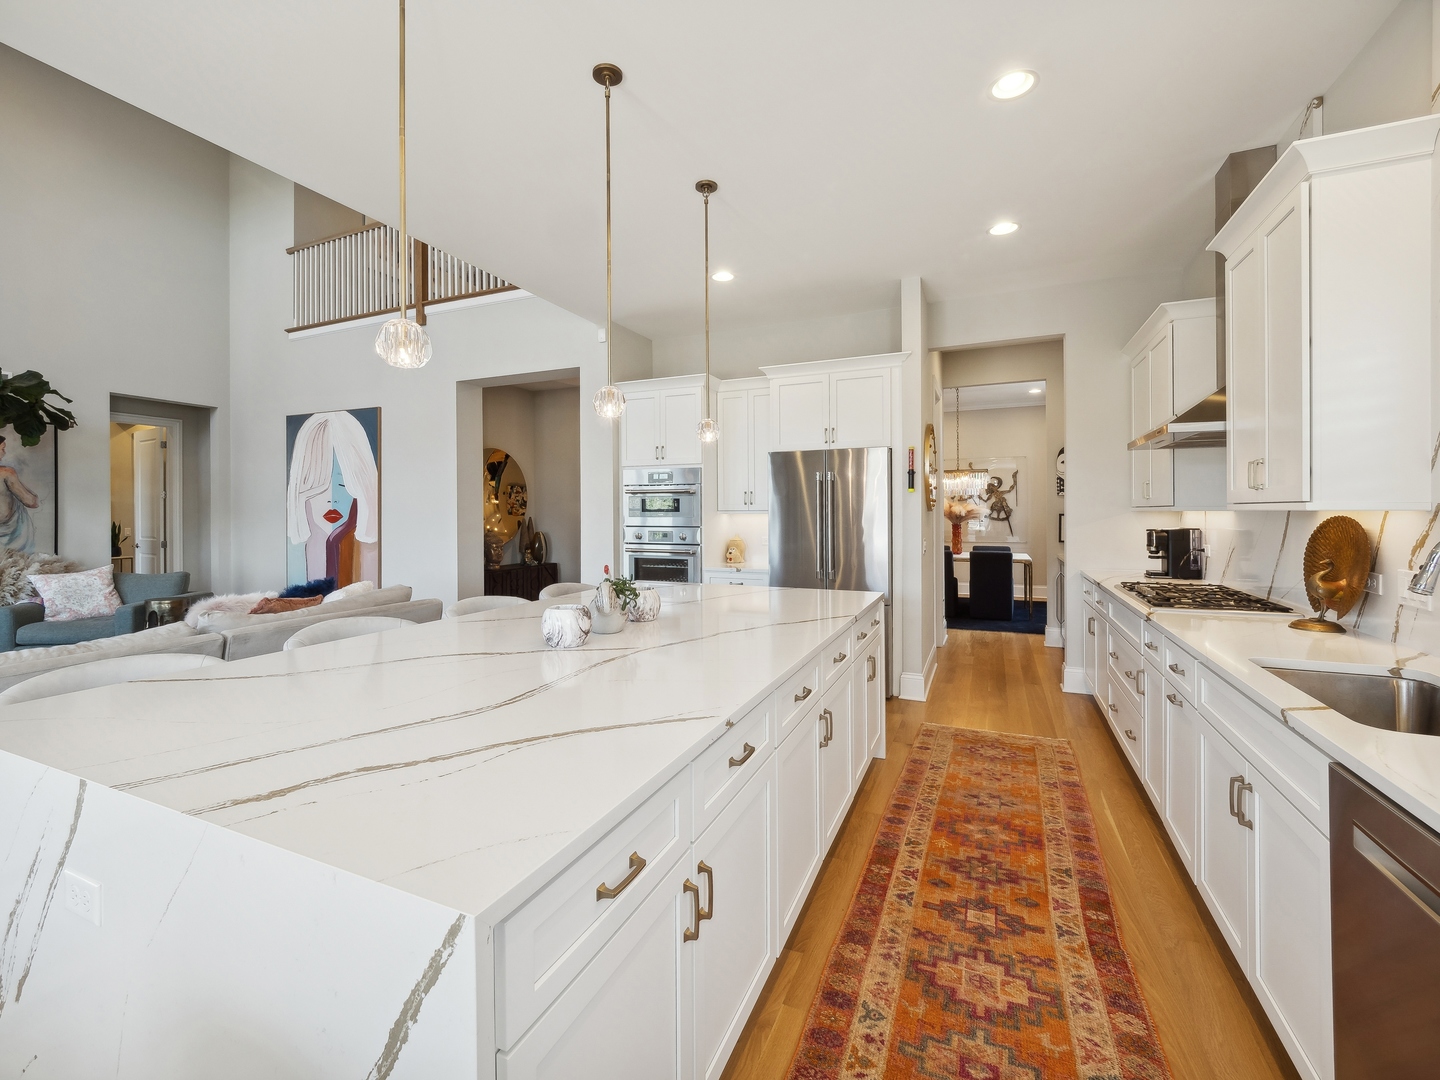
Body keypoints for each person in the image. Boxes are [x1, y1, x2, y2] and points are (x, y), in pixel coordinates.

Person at [0, 434, 41, 553]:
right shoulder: (6, 473)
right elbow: (30, 502)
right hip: (11, 535)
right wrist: (36, 500)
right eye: (2, 449)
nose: (4, 453)